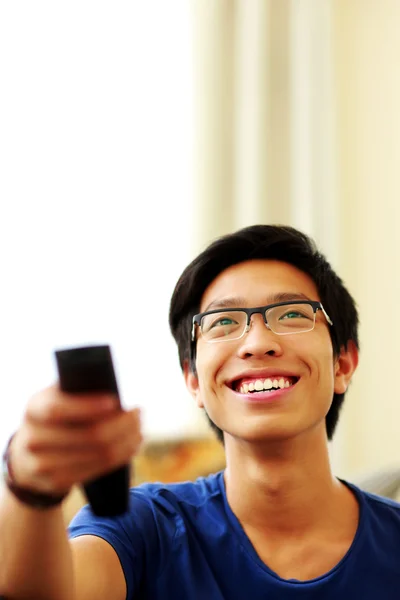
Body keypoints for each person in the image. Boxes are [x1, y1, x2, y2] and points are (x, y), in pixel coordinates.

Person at [1, 224, 400, 600]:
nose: (257, 343)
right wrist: (31, 486)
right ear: (193, 379)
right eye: (223, 322)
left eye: (292, 314)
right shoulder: (144, 527)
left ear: (343, 364)